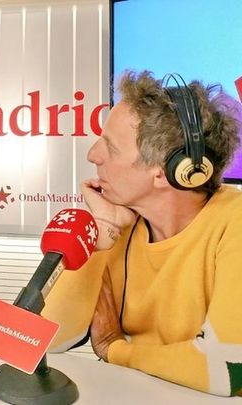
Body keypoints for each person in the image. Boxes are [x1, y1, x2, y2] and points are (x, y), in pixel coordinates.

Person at [42, 71, 242, 396]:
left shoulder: (235, 222)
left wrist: (115, 349)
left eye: (111, 147)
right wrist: (102, 230)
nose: (93, 154)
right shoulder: (121, 224)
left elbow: (228, 370)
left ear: (168, 172)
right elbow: (47, 337)